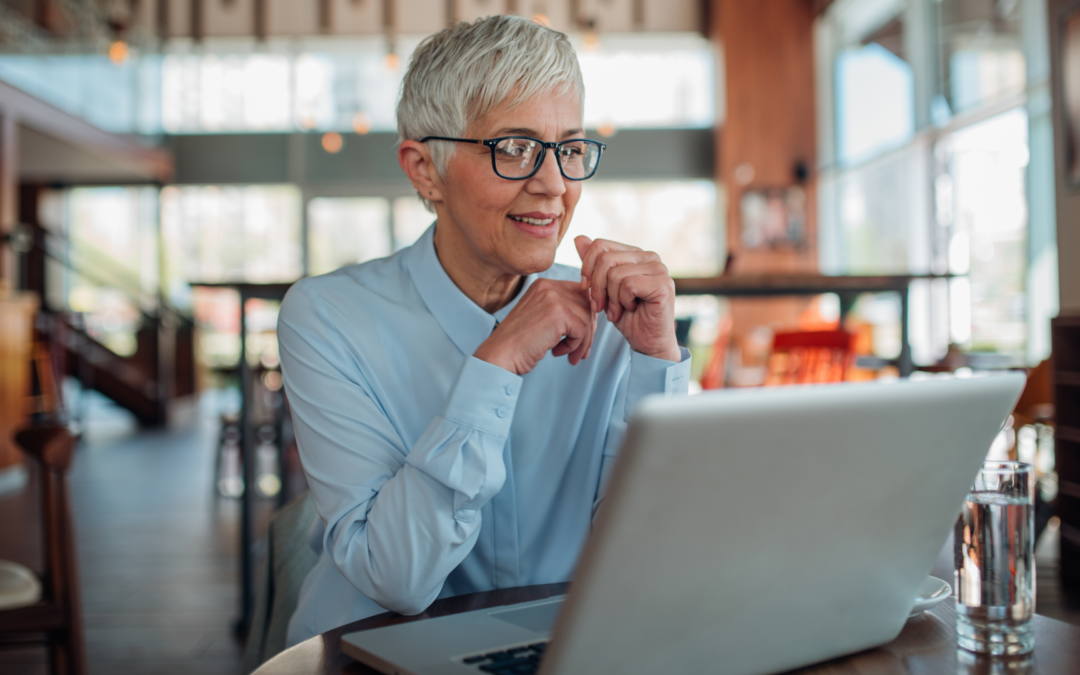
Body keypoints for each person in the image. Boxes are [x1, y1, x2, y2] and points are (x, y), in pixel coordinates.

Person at [279, 15, 691, 646]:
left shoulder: (614, 316)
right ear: (424, 170)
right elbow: (398, 578)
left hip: (564, 649)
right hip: (373, 653)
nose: (554, 185)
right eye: (514, 148)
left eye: (570, 149)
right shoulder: (327, 319)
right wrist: (494, 365)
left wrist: (656, 363)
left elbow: (650, 556)